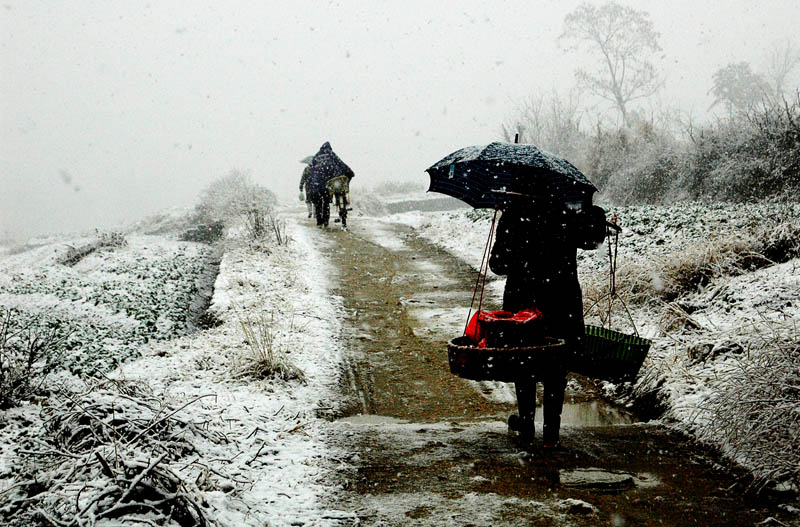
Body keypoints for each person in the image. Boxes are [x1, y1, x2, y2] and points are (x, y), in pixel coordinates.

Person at [489, 195, 604, 448]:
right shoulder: (563, 215)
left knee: (525, 362)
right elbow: (593, 241)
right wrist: (592, 213)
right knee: (556, 366)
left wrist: (511, 242)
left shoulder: (513, 216)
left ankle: (527, 424)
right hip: (561, 303)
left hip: (524, 305)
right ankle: (551, 432)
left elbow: (497, 264)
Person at [308, 141, 354, 227]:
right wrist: (349, 172)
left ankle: (319, 222)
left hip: (317, 183)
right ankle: (325, 222)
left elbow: (312, 171)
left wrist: (312, 183)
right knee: (326, 203)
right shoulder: (331, 154)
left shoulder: (316, 157)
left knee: (318, 203)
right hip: (328, 183)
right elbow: (341, 164)